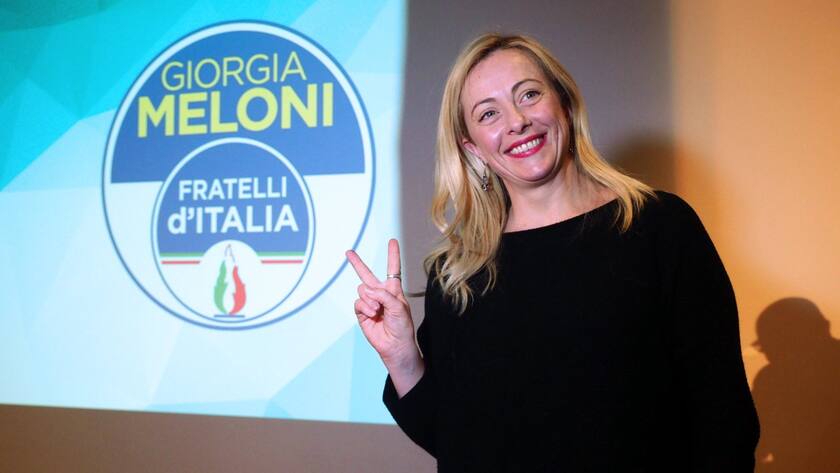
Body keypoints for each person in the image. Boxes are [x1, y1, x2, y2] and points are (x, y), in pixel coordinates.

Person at [346, 33, 759, 472]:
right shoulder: (458, 272)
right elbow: (453, 439)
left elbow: (724, 419)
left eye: (529, 94)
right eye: (489, 113)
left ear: (564, 102)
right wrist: (403, 359)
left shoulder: (660, 227)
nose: (517, 121)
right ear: (473, 148)